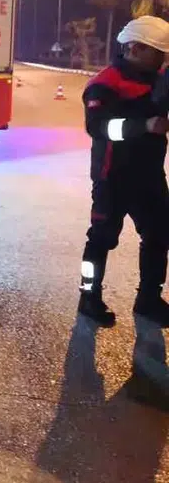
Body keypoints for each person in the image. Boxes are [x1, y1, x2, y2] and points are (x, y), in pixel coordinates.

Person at [78, 17, 169, 328]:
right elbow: (99, 128)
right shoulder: (104, 84)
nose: (162, 59)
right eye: (158, 52)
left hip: (150, 176)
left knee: (159, 235)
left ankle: (149, 299)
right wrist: (143, 125)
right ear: (135, 48)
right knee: (101, 239)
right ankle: (89, 297)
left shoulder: (159, 79)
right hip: (112, 177)